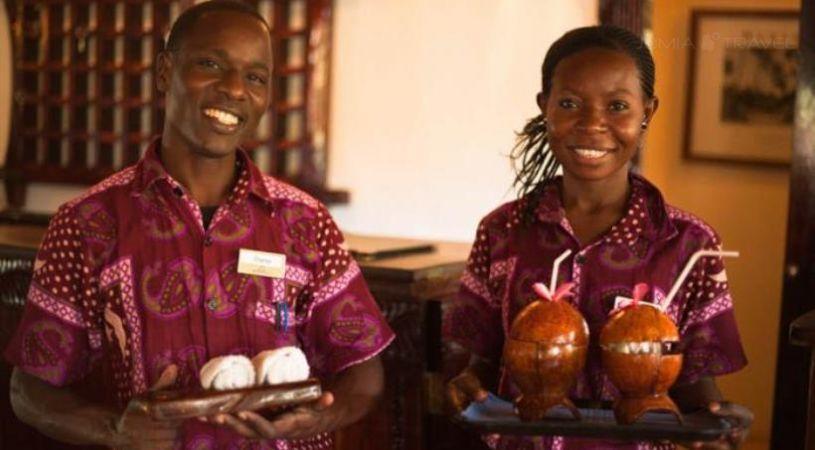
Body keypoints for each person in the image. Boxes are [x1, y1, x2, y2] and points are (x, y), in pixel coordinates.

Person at [5, 1, 394, 449]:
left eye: (255, 77)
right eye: (211, 64)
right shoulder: (88, 223)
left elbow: (364, 372)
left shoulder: (303, 221)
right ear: (165, 72)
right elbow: (29, 389)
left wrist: (317, 418)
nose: (234, 89)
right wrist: (113, 430)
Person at [443, 25, 752, 450]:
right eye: (569, 103)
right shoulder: (502, 232)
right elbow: (481, 363)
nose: (592, 124)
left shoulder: (690, 245)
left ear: (647, 110)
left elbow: (697, 385)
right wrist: (466, 386)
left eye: (618, 105)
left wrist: (715, 430)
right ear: (544, 107)